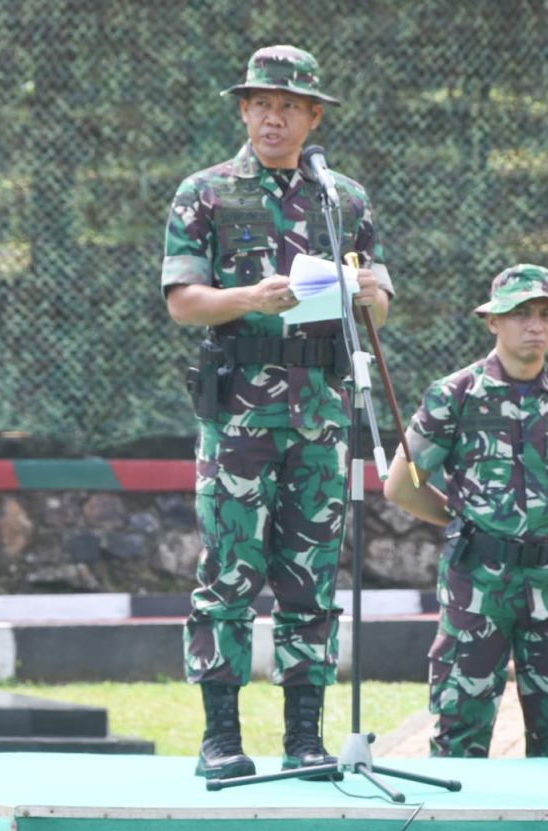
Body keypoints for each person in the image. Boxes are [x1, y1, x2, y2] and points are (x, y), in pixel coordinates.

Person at [162, 45, 393, 781]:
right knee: (228, 571)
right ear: (242, 109)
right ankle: (221, 739)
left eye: (289, 104)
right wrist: (249, 300)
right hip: (239, 413)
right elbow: (182, 300)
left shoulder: (343, 199)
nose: (273, 115)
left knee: (311, 577)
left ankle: (305, 738)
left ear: (314, 115)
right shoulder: (205, 192)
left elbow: (381, 303)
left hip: (321, 413)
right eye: (260, 102)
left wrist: (362, 293)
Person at [384, 264, 548, 758]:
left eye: (546, 315)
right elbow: (402, 486)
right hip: (478, 587)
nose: (536, 325)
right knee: (459, 739)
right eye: (520, 314)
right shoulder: (454, 396)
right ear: (493, 321)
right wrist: (464, 522)